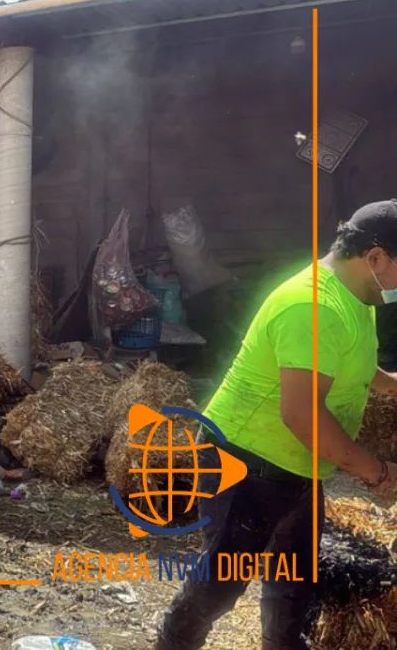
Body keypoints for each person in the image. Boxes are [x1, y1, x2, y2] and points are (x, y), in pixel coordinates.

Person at [155, 200, 397, 650]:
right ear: (376, 257)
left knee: (294, 585)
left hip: (298, 464)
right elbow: (302, 414)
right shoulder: (311, 307)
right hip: (247, 460)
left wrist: (391, 385)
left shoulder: (358, 295)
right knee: (221, 583)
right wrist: (375, 471)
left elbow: (353, 365)